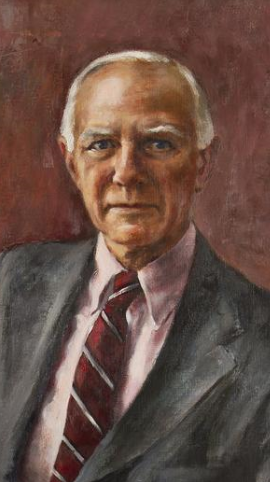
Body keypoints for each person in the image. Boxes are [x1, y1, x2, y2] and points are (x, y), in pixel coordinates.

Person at [0, 50, 270, 482]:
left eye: (159, 143)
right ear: (72, 162)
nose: (126, 172)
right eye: (101, 144)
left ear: (202, 162)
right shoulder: (11, 283)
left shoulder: (260, 340)